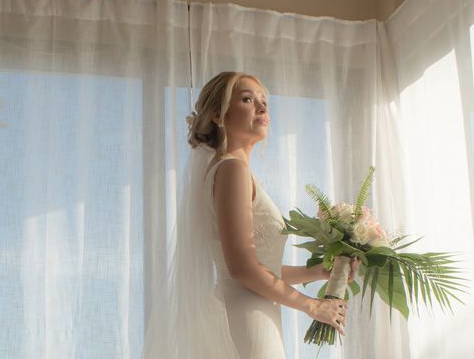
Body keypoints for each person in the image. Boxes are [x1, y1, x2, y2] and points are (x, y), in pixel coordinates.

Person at [143, 71, 351, 359]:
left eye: (264, 101)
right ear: (218, 114)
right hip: (248, 319)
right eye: (247, 99)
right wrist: (311, 306)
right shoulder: (232, 169)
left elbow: (258, 266)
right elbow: (241, 268)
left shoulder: (229, 169)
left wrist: (317, 272)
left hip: (251, 313)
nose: (262, 107)